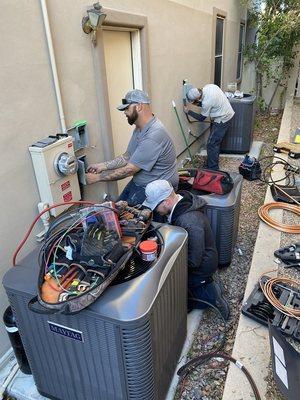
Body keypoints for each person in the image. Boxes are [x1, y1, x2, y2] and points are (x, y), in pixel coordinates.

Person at [142, 179, 230, 320]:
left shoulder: (189, 220)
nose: (154, 210)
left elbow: (194, 260)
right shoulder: (182, 201)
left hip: (202, 266)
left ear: (166, 202)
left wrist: (165, 261)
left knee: (173, 287)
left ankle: (215, 298)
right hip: (202, 255)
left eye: (155, 206)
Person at [86, 89, 178, 206]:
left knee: (130, 219)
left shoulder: (154, 134)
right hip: (141, 182)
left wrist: (97, 178)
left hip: (157, 190)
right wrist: (102, 166)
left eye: (127, 108)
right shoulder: (140, 128)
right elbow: (127, 156)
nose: (125, 112)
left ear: (139, 106)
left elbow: (129, 169)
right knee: (115, 208)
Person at [184, 84, 234, 171]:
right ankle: (211, 164)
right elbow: (207, 103)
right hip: (227, 112)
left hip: (223, 118)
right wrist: (198, 104)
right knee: (214, 142)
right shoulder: (209, 87)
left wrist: (189, 111)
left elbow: (202, 118)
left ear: (197, 98)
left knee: (212, 144)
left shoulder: (207, 102)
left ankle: (213, 168)